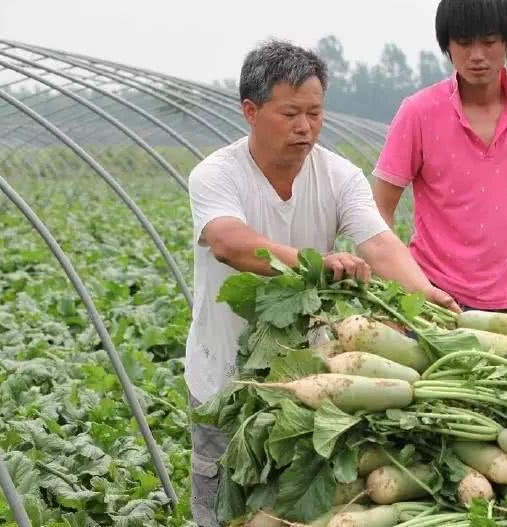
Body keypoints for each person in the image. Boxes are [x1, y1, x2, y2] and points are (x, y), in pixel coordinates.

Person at [184, 39, 459, 527]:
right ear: (250, 110)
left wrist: (427, 292)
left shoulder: (339, 175)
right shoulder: (216, 175)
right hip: (224, 378)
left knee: (295, 512)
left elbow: (378, 242)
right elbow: (229, 241)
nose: (305, 127)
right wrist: (317, 263)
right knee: (222, 510)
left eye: (314, 112)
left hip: (310, 381)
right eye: (290, 113)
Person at [372, 0, 507, 320]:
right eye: (464, 43)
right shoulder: (419, 112)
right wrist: (402, 283)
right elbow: (379, 207)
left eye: (489, 42)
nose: (477, 55)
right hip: (431, 291)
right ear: (448, 46)